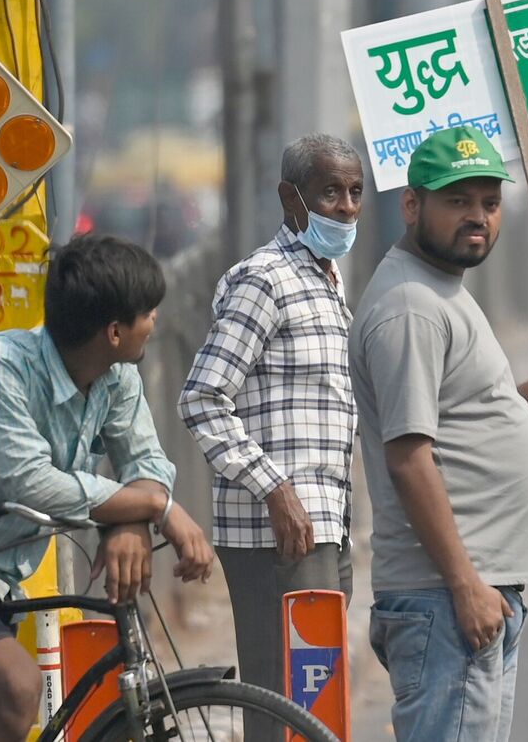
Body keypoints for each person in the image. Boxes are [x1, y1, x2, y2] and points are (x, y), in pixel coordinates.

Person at [0, 234, 215, 742]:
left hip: (0, 573)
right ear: (114, 332)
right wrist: (160, 507)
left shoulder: (117, 378)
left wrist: (130, 521)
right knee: (17, 687)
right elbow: (31, 483)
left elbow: (146, 460)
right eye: (147, 312)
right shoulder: (1, 365)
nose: (155, 320)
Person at [350, 126, 528, 742]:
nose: (477, 217)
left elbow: (463, 422)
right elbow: (410, 459)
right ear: (412, 206)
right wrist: (465, 584)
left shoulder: (442, 292)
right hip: (448, 595)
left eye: (488, 202)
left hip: (471, 594)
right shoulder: (411, 306)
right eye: (457, 201)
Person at [179, 133, 362, 725]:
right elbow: (203, 396)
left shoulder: (330, 283)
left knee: (318, 701)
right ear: (292, 198)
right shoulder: (265, 279)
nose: (346, 207)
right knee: (282, 699)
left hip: (326, 524)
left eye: (355, 193)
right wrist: (275, 489)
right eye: (330, 192)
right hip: (274, 532)